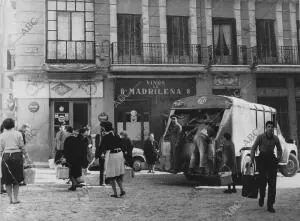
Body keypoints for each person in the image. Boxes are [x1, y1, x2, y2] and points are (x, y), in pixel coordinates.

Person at [250, 121, 283, 213]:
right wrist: (251, 160)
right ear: (266, 128)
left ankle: (270, 205)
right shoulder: (260, 137)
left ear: (273, 129)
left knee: (272, 184)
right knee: (262, 182)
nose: (270, 128)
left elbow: (280, 149)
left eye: (272, 127)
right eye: (268, 126)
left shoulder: (275, 138)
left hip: (272, 160)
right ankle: (261, 197)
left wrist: (278, 159)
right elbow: (253, 148)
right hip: (262, 160)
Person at [0, 118, 31, 204]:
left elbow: (1, 149)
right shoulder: (18, 134)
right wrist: (28, 158)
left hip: (6, 157)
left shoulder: (1, 135)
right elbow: (22, 147)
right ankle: (15, 198)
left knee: (7, 179)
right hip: (17, 156)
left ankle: (10, 199)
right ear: (13, 125)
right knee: (16, 179)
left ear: (4, 126)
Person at [100, 121, 125, 198]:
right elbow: (122, 144)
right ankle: (121, 190)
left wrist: (99, 154)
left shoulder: (106, 137)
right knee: (117, 174)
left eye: (102, 128)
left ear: (105, 128)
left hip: (113, 155)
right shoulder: (116, 135)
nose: (102, 129)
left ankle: (115, 193)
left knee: (111, 175)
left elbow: (101, 147)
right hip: (120, 154)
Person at [63, 126, 87, 191]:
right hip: (78, 158)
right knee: (74, 172)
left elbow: (66, 149)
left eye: (64, 131)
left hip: (72, 158)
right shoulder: (76, 138)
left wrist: (65, 157)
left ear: (67, 131)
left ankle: (74, 184)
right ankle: (74, 185)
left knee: (71, 173)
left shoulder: (68, 139)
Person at [95, 112, 109, 186]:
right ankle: (102, 182)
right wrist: (102, 153)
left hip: (105, 152)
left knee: (105, 167)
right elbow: (101, 145)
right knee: (103, 168)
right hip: (103, 153)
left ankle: (105, 181)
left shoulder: (103, 135)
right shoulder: (100, 136)